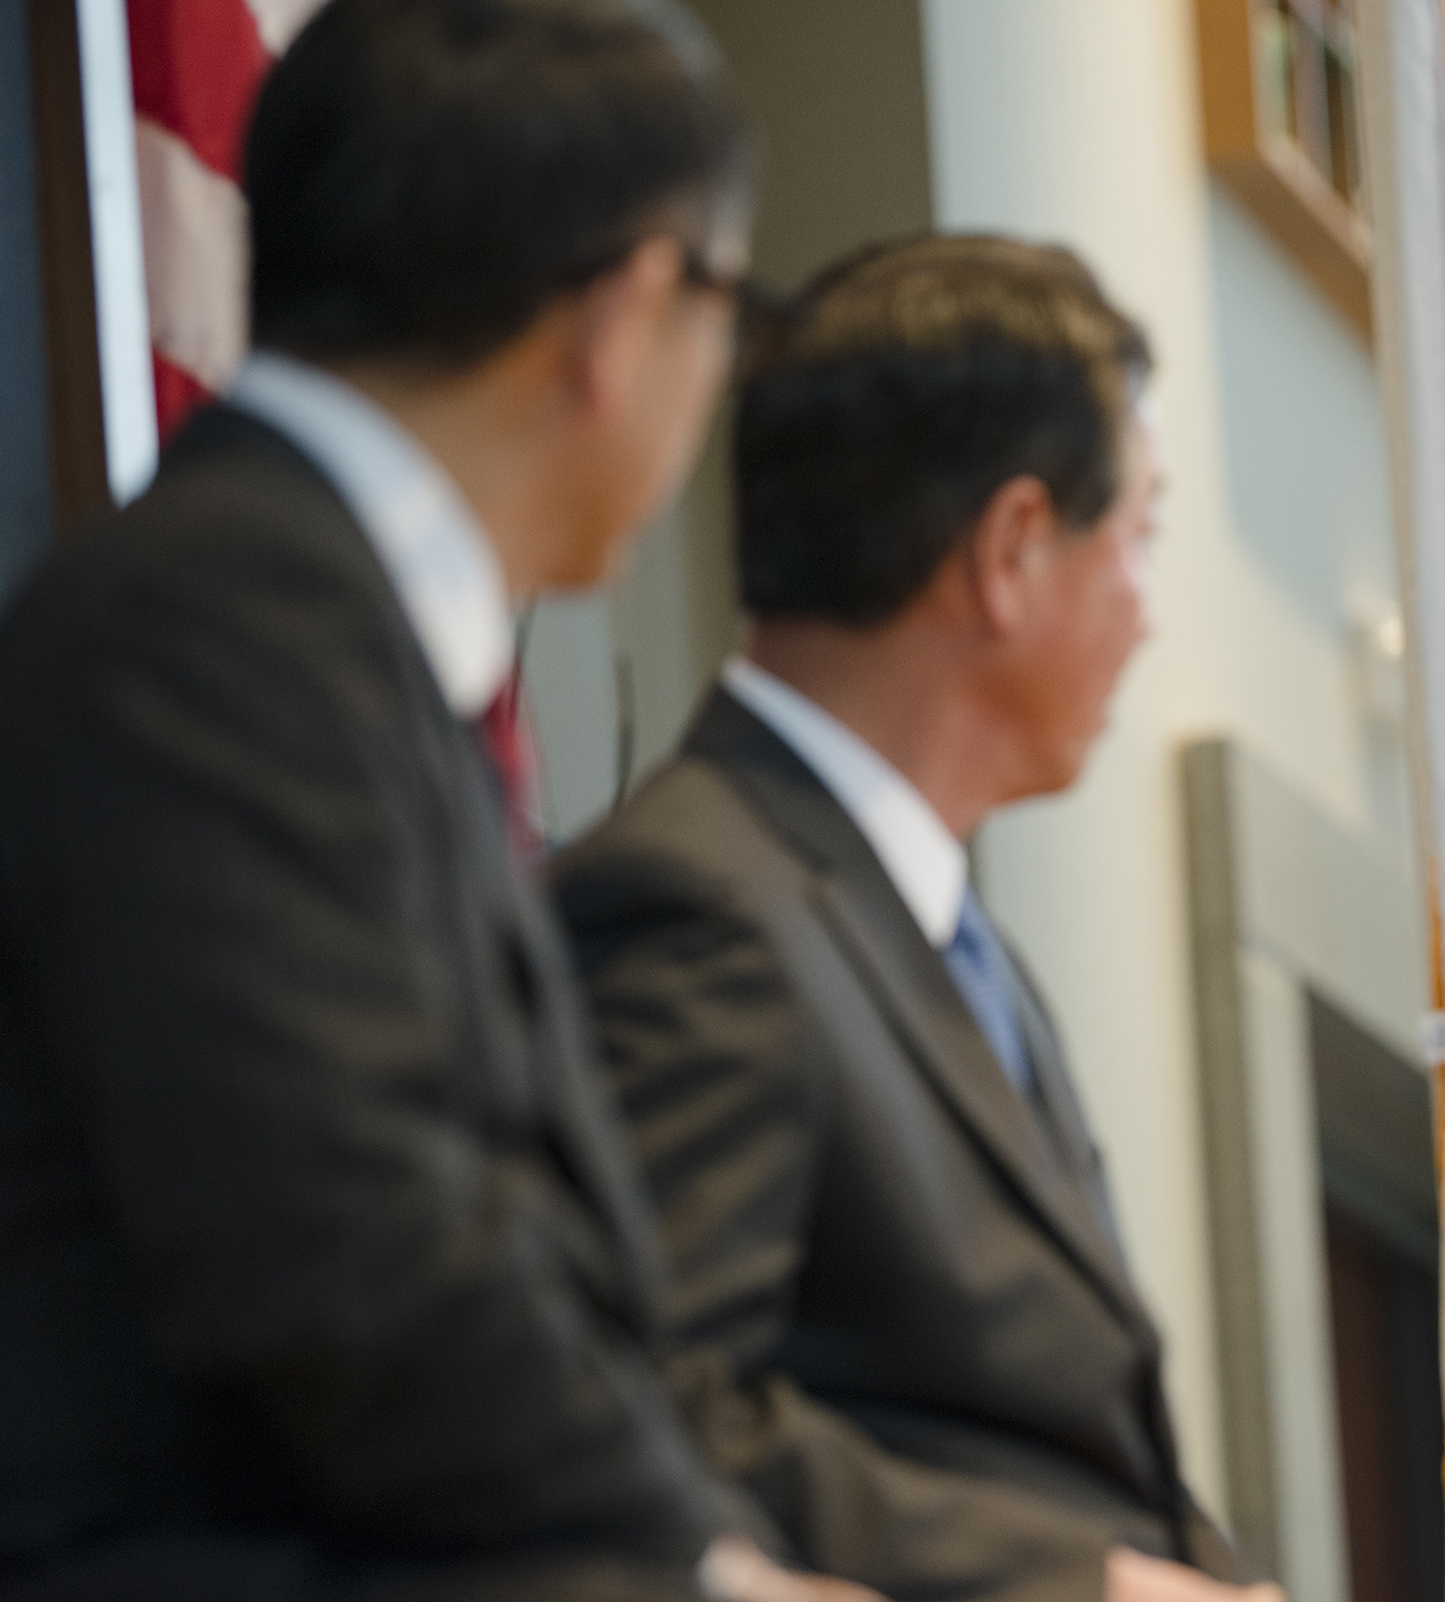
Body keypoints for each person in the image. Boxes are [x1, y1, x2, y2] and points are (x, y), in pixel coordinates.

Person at [0, 3, 859, 1598]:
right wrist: (705, 1571)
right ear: (625, 313)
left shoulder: (326, 627)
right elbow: (351, 1251)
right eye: (726, 312)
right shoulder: (212, 621)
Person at [551, 236, 1270, 1602]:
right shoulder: (696, 902)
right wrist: (1081, 1585)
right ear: (1011, 551)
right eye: (1141, 537)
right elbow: (640, 1406)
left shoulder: (961, 951)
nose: (1149, 610)